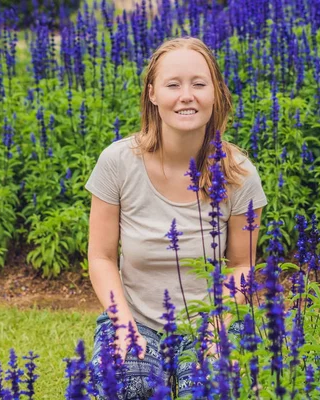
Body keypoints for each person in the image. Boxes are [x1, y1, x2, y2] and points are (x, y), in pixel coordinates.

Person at [85, 36, 268, 399]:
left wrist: (219, 326)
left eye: (199, 84)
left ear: (215, 93)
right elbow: (101, 256)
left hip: (211, 319)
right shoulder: (118, 162)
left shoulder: (240, 174)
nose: (187, 95)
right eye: (173, 84)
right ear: (153, 94)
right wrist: (122, 323)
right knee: (129, 386)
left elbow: (242, 264)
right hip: (136, 318)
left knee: (209, 390)